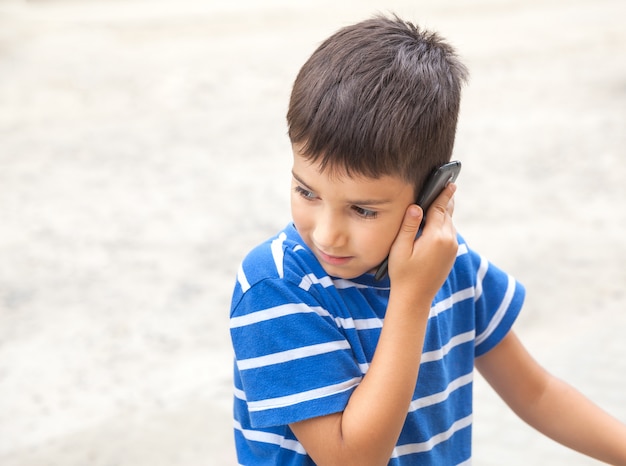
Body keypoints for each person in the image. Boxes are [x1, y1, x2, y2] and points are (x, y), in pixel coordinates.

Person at [229, 14, 626, 465]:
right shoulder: (276, 287)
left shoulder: (450, 265)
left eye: (363, 209)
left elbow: (536, 392)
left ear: (432, 193)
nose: (327, 232)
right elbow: (351, 459)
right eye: (306, 192)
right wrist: (412, 297)